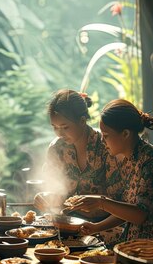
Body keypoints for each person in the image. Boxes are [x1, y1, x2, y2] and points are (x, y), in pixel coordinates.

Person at [74, 99, 153, 242]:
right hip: (138, 246)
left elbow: (139, 214)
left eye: (106, 136)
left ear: (125, 133)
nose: (102, 141)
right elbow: (128, 210)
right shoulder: (130, 159)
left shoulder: (151, 162)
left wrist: (101, 202)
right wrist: (96, 227)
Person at [33, 89, 123, 223]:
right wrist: (46, 198)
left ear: (82, 121)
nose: (59, 134)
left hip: (104, 224)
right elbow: (55, 191)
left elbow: (119, 198)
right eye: (55, 127)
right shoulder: (56, 148)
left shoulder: (106, 146)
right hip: (66, 223)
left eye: (65, 127)